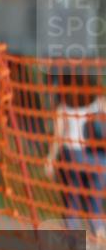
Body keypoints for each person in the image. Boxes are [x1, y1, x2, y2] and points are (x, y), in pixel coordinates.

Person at [45, 71, 106, 234]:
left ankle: (71, 242)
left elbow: (57, 137)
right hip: (92, 158)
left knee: (71, 200)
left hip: (69, 156)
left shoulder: (63, 107)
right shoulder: (96, 103)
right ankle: (98, 231)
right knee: (95, 200)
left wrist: (50, 161)